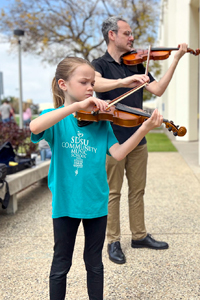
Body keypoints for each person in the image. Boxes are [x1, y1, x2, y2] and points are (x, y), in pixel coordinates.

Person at [30, 56, 163, 300]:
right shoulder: (56, 118)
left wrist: (143, 129)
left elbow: (119, 152)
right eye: (84, 82)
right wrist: (74, 107)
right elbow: (35, 127)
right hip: (65, 203)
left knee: (94, 264)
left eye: (92, 83)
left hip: (96, 203)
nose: (91, 88)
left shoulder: (101, 121)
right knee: (61, 263)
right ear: (63, 84)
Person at [92, 16, 188, 264]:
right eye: (127, 33)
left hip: (138, 136)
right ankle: (113, 241)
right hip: (112, 139)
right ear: (112, 35)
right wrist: (123, 82)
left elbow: (158, 90)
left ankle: (139, 235)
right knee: (113, 192)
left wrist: (175, 59)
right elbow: (95, 83)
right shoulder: (99, 64)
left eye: (132, 33)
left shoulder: (137, 63)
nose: (132, 37)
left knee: (138, 191)